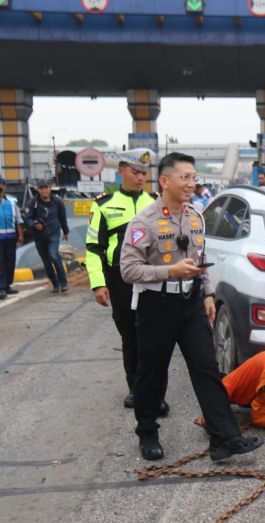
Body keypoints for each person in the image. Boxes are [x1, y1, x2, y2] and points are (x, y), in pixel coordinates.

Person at [120, 152, 263, 462]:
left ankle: (224, 438)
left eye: (193, 177)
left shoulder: (196, 216)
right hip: (156, 305)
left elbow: (201, 262)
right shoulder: (144, 222)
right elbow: (128, 270)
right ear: (164, 181)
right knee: (152, 373)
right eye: (184, 177)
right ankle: (147, 431)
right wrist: (169, 272)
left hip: (192, 302)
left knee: (207, 369)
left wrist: (208, 295)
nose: (191, 183)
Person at [86, 148, 169, 413]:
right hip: (120, 280)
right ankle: (136, 389)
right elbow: (93, 248)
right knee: (130, 334)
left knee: (155, 335)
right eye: (135, 172)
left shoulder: (157, 202)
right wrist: (98, 284)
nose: (140, 178)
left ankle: (156, 393)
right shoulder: (103, 205)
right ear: (121, 171)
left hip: (153, 278)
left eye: (144, 173)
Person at [24, 180, 69, 293]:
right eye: (41, 188)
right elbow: (27, 218)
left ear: (50, 188)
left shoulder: (57, 202)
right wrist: (34, 224)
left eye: (46, 188)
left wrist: (66, 231)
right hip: (39, 236)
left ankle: (63, 282)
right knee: (46, 261)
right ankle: (55, 284)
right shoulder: (33, 203)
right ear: (38, 190)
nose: (44, 190)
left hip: (54, 233)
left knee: (54, 255)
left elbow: (62, 218)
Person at [0, 175, 24, 299]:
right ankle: (1, 287)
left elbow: (18, 220)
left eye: (1, 185)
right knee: (1, 263)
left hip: (11, 237)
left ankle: (8, 285)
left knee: (10, 262)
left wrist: (20, 235)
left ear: (4, 186)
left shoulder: (12, 201)